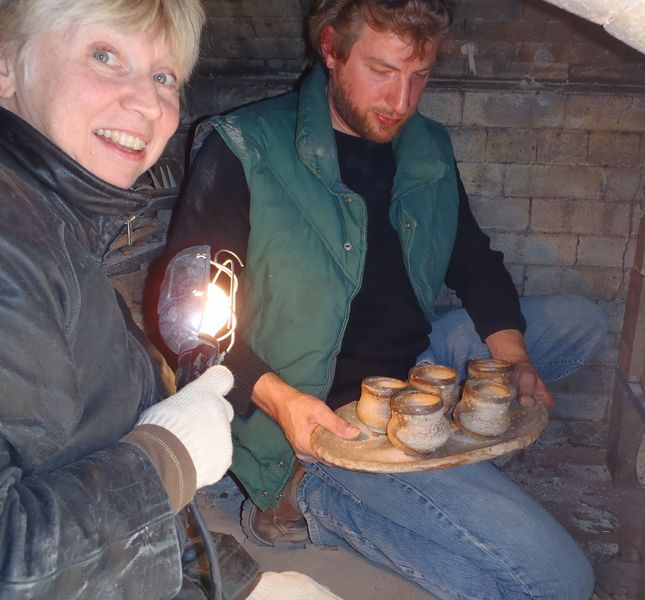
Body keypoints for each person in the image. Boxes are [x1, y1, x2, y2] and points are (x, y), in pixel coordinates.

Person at [163, 0, 607, 598]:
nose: (401, 101)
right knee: (560, 579)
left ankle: (424, 464)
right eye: (381, 70)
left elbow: (473, 262)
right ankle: (300, 498)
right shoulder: (245, 148)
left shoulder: (426, 146)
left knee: (582, 324)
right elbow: (188, 322)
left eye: (418, 76)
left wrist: (514, 355)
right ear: (330, 49)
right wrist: (282, 404)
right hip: (322, 412)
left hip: (414, 363)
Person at [0, 1, 342, 598]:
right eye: (105, 56)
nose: (148, 103)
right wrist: (167, 455)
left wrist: (232, 580)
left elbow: (90, 460)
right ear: (7, 67)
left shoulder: (55, 229)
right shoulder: (14, 246)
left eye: (164, 77)